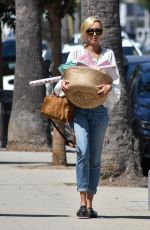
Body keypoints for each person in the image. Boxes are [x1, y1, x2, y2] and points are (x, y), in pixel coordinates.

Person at [57, 16, 121, 218]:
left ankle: (90, 204)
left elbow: (116, 85)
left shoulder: (108, 55)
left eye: (98, 31)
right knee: (83, 152)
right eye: (91, 31)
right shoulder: (75, 53)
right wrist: (63, 85)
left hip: (100, 111)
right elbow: (62, 80)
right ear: (85, 32)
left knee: (94, 159)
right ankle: (82, 202)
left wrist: (109, 86)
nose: (95, 35)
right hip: (80, 110)